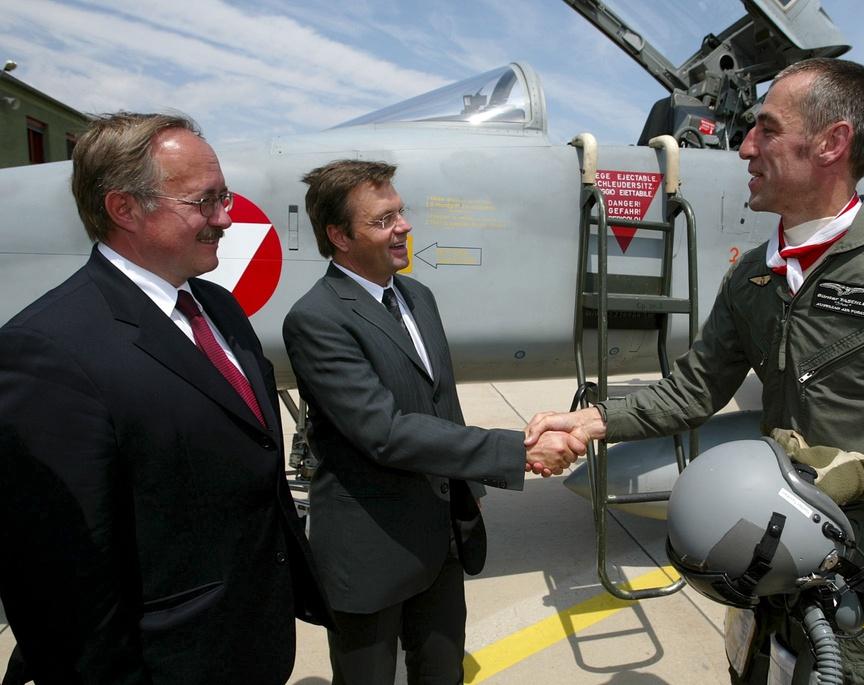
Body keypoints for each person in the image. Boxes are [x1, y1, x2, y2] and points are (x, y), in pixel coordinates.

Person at [525, 58, 864, 683]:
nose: (744, 147)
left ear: (831, 143)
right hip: (758, 563)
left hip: (852, 575)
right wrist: (590, 421)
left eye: (765, 129)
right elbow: (692, 390)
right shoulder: (755, 277)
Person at [0, 112, 331, 684]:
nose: (226, 218)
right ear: (125, 208)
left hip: (251, 642)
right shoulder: (47, 349)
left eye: (223, 197)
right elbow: (59, 581)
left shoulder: (218, 308)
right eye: (205, 201)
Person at [283, 159, 580, 685]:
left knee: (441, 673)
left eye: (400, 212)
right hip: (370, 552)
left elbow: (442, 404)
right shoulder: (317, 319)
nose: (403, 227)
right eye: (382, 220)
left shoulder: (418, 297)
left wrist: (468, 492)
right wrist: (519, 450)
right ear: (339, 236)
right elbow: (385, 431)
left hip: (439, 538)